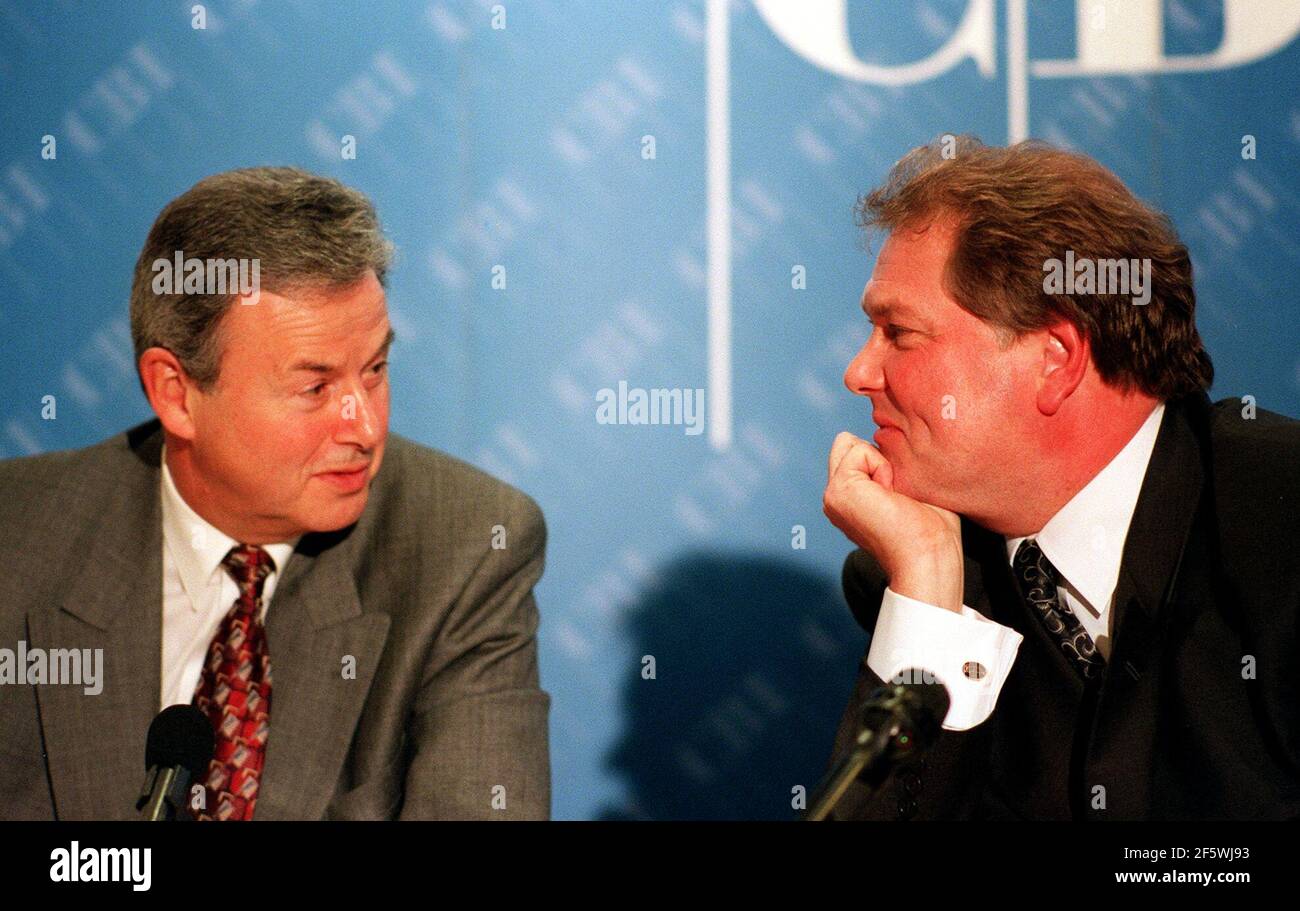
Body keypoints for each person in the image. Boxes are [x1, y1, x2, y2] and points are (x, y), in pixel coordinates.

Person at [0, 167, 550, 820]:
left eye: (374, 370)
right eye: (314, 388)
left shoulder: (466, 547)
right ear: (176, 392)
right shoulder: (19, 537)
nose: (366, 426)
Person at [821, 136, 1299, 820]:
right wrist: (927, 584)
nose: (858, 373)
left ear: (1057, 358)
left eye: (897, 332)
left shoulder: (1281, 518)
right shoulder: (929, 585)